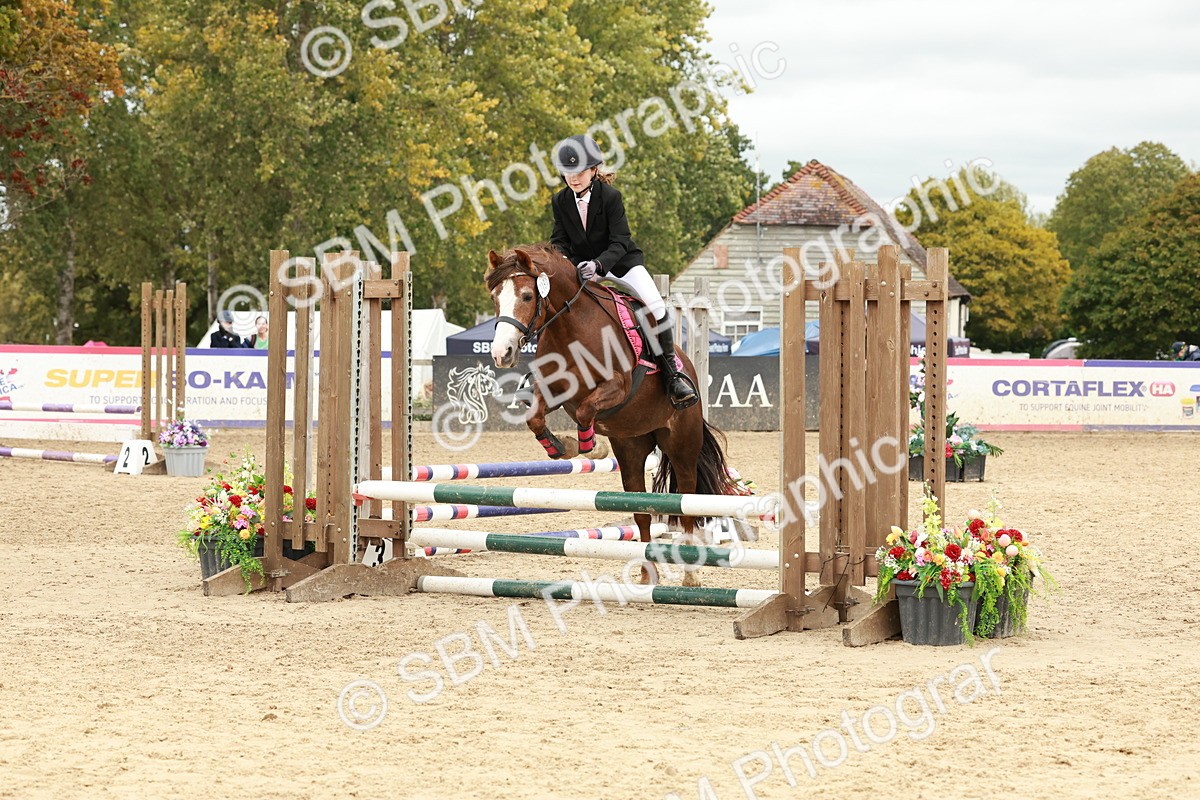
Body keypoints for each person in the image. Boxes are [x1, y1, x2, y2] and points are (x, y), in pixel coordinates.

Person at [548, 134, 697, 409]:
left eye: (579, 171)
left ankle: (672, 375)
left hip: (620, 265)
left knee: (656, 308)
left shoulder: (611, 197)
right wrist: (568, 264)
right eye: (568, 172)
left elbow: (620, 241)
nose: (573, 178)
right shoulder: (560, 201)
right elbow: (559, 241)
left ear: (593, 170)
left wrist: (599, 265)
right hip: (582, 268)